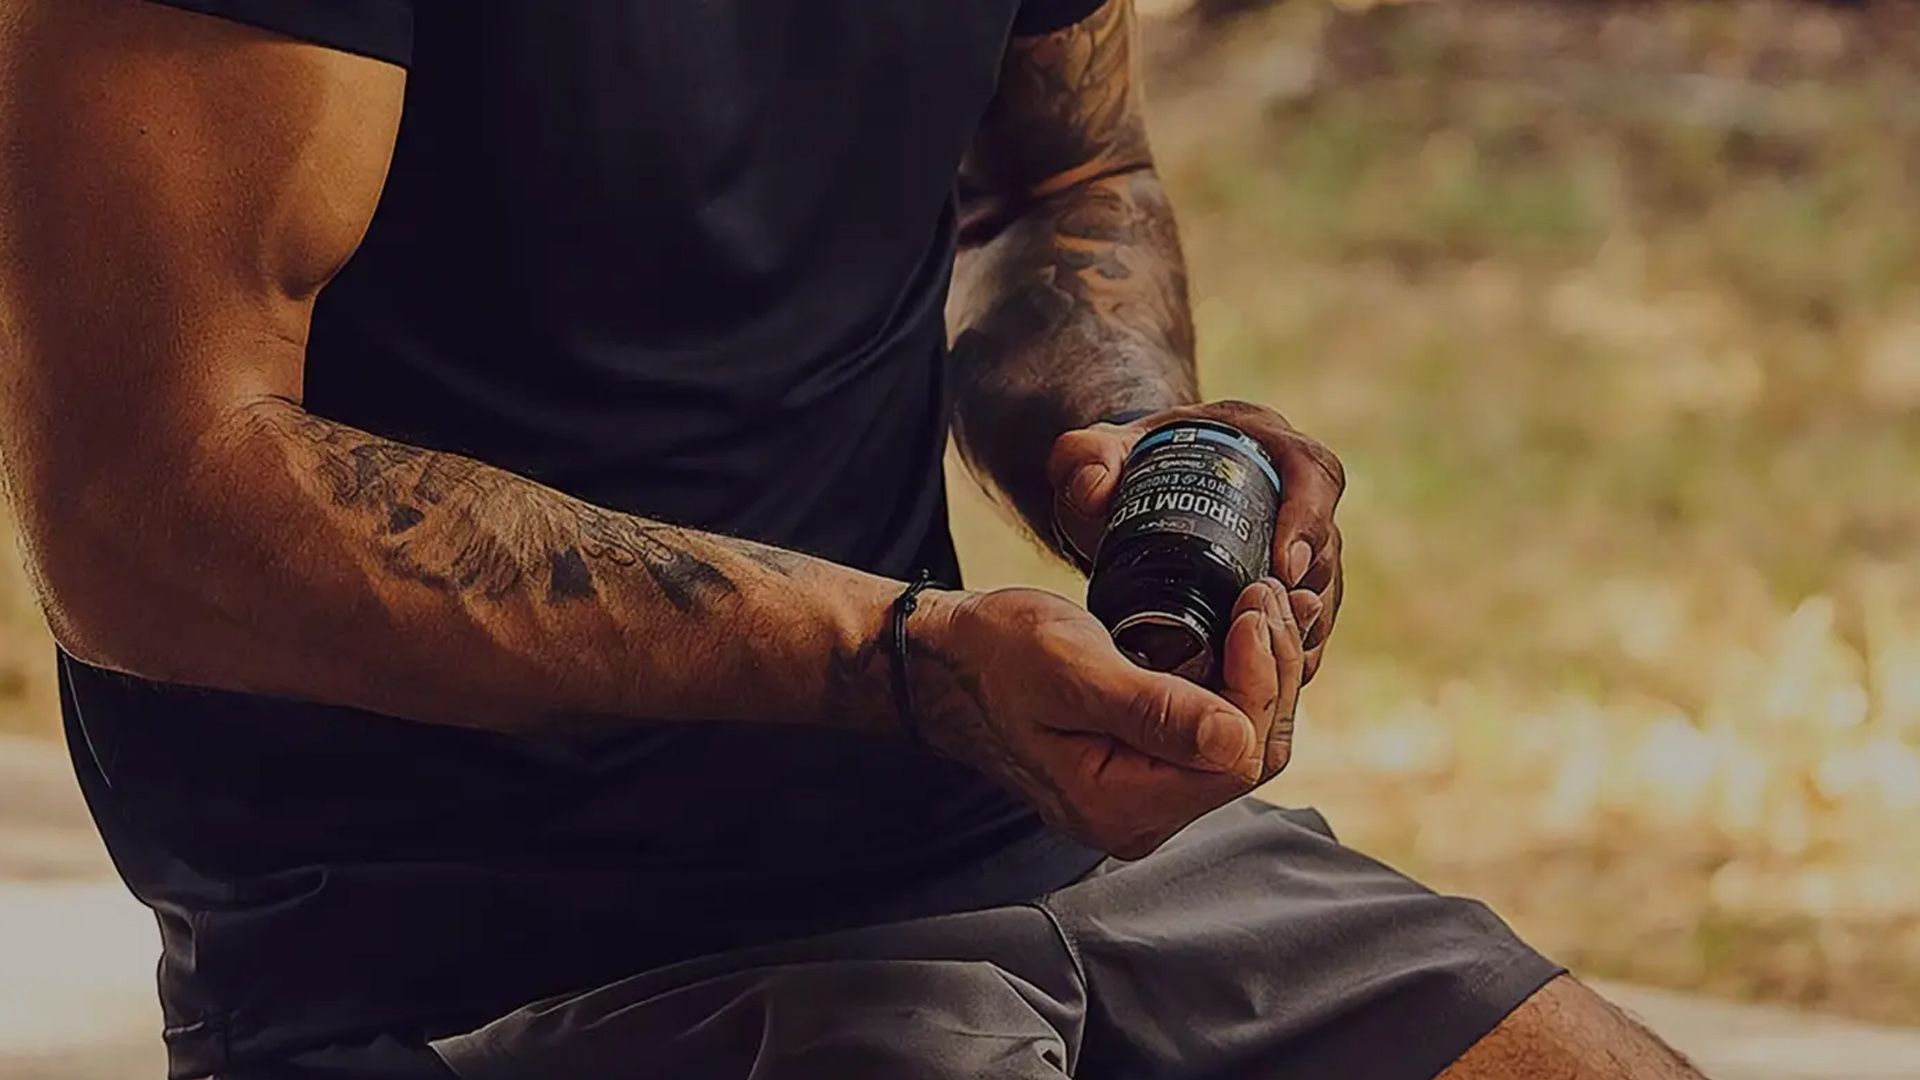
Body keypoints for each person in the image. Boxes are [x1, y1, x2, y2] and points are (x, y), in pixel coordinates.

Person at [0, 1, 1703, 1077]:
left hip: (999, 836)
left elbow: (1063, 177)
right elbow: (147, 501)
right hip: (475, 957)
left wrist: (1126, 450)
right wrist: (889, 659)